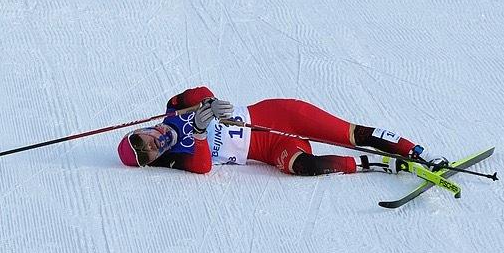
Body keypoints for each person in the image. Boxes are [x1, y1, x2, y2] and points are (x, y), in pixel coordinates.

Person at [117, 86, 448, 175]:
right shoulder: (181, 157)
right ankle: (381, 164)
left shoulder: (174, 109)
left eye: (141, 141)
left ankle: (417, 152)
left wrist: (208, 102)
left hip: (281, 115)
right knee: (304, 167)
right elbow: (203, 167)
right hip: (269, 150)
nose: (152, 145)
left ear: (141, 130)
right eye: (148, 155)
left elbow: (198, 91)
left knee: (350, 134)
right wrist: (201, 132)